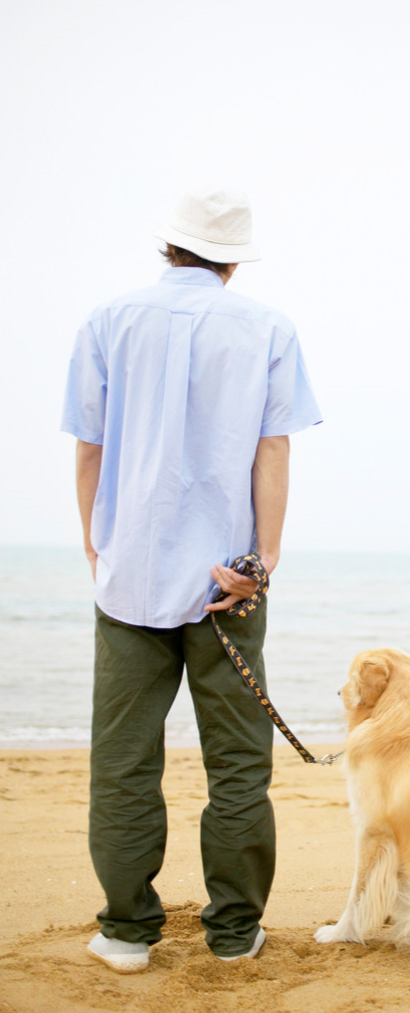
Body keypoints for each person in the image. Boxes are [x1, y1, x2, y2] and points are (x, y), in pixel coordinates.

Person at [61, 187, 322, 973]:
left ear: (167, 247)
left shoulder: (108, 320)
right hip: (226, 588)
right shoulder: (268, 328)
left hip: (129, 578)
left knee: (123, 762)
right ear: (235, 260)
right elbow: (271, 451)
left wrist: (94, 548)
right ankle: (235, 934)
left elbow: (89, 448)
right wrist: (263, 563)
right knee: (238, 763)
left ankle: (127, 933)